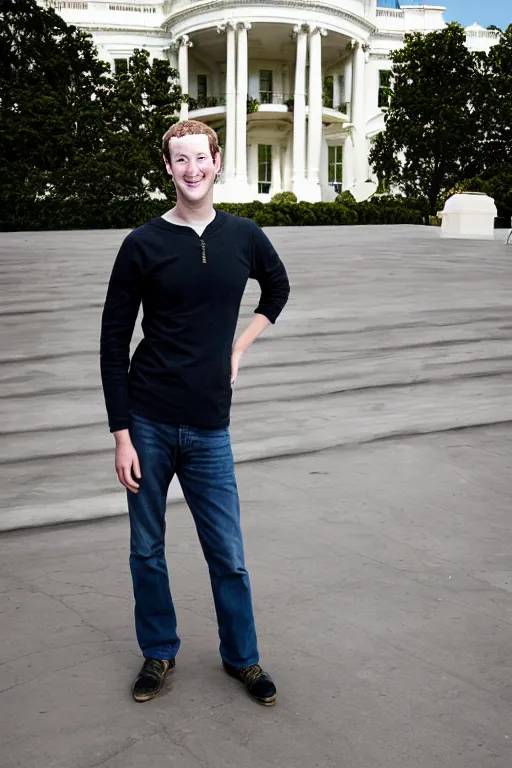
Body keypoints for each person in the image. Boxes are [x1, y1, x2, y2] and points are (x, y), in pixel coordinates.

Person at [100, 120, 290, 705]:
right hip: (150, 418)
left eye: (200, 158)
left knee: (228, 554)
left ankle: (243, 659)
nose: (191, 169)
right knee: (146, 547)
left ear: (217, 161)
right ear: (167, 168)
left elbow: (277, 290)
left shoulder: (244, 236)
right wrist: (121, 434)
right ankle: (159, 652)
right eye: (179, 160)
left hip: (210, 424)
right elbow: (112, 341)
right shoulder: (142, 244)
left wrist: (237, 347)